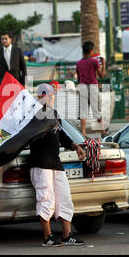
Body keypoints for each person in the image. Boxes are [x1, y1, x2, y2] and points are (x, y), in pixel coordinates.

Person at [29, 83, 86, 247]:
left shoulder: (54, 114)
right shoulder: (32, 114)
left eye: (54, 95)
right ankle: (47, 237)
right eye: (49, 95)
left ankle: (67, 236)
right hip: (40, 164)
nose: (53, 97)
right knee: (46, 199)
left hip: (55, 162)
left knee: (64, 198)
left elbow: (62, 135)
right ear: (40, 97)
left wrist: (76, 147)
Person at [75, 41, 107, 137]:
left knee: (83, 110)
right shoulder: (94, 61)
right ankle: (102, 131)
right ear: (91, 51)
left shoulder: (79, 63)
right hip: (93, 86)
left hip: (82, 87)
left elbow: (79, 78)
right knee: (96, 109)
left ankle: (83, 132)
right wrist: (104, 64)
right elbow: (101, 75)